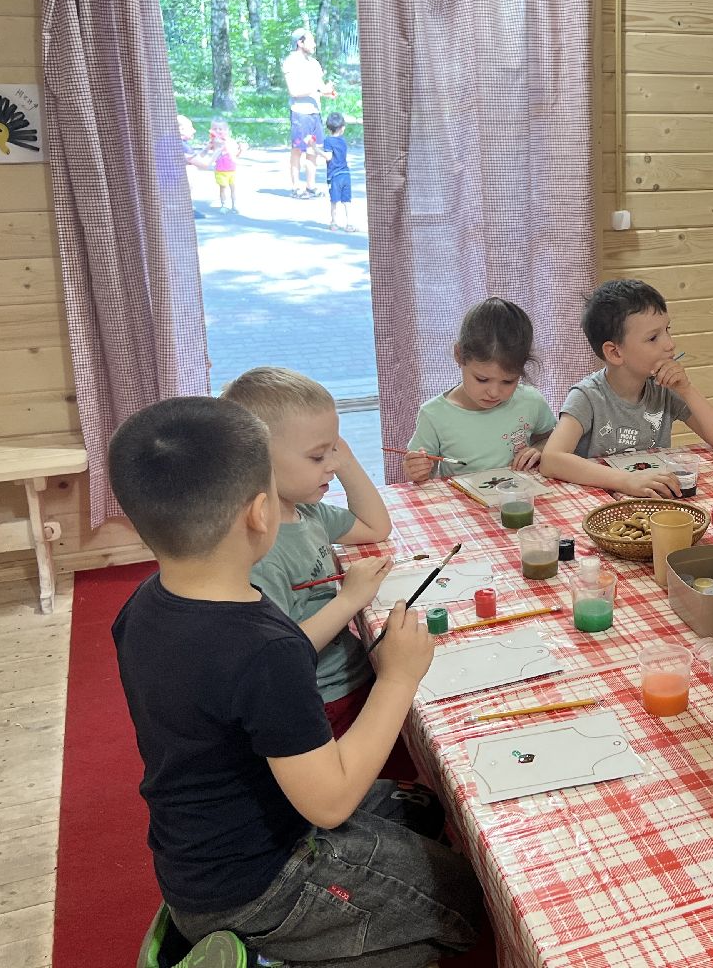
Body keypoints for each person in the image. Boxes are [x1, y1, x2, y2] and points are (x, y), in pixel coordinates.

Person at [109, 396, 483, 966]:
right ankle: (267, 955)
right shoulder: (265, 649)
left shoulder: (141, 605)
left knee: (423, 811)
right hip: (259, 883)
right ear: (260, 513)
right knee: (465, 904)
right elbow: (330, 802)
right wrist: (397, 679)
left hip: (202, 856)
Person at [220, 367, 415, 782]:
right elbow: (282, 654)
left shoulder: (304, 512)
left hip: (354, 674)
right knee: (383, 780)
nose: (332, 464)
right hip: (323, 701)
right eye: (317, 456)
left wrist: (344, 460)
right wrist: (350, 599)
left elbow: (376, 526)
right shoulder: (261, 553)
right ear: (257, 462)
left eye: (334, 449)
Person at [539, 278, 713, 497]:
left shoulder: (664, 388)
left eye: (667, 330)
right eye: (653, 338)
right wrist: (627, 481)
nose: (670, 344)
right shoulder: (587, 396)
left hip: (652, 498)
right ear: (615, 352)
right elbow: (551, 460)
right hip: (599, 502)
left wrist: (687, 389)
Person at [403, 298, 557, 482]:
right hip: (461, 500)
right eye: (482, 379)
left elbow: (552, 439)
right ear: (459, 355)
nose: (494, 392)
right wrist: (417, 470)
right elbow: (422, 475)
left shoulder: (531, 401)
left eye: (508, 381)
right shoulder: (434, 415)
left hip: (521, 496)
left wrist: (538, 449)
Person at [281, 28, 335, 199]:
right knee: (298, 149)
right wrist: (318, 89)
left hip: (315, 113)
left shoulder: (314, 64)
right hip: (300, 113)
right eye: (310, 41)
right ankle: (296, 187)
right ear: (300, 42)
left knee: (314, 149)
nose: (314, 45)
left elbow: (319, 87)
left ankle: (311, 186)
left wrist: (327, 92)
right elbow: (294, 91)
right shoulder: (290, 62)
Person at [321, 111, 354, 232]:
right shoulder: (343, 141)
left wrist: (316, 150)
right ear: (342, 128)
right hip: (346, 174)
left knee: (334, 201)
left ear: (329, 128)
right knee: (347, 201)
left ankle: (334, 223)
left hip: (334, 176)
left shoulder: (328, 141)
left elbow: (328, 157)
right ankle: (349, 224)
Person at [205, 118, 241, 212]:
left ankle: (234, 205)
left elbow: (236, 155)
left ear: (226, 130)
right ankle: (224, 205)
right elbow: (208, 151)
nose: (218, 131)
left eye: (220, 129)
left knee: (233, 188)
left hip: (232, 169)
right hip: (220, 170)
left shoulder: (231, 141)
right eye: (215, 129)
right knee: (223, 188)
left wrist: (241, 150)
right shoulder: (213, 142)